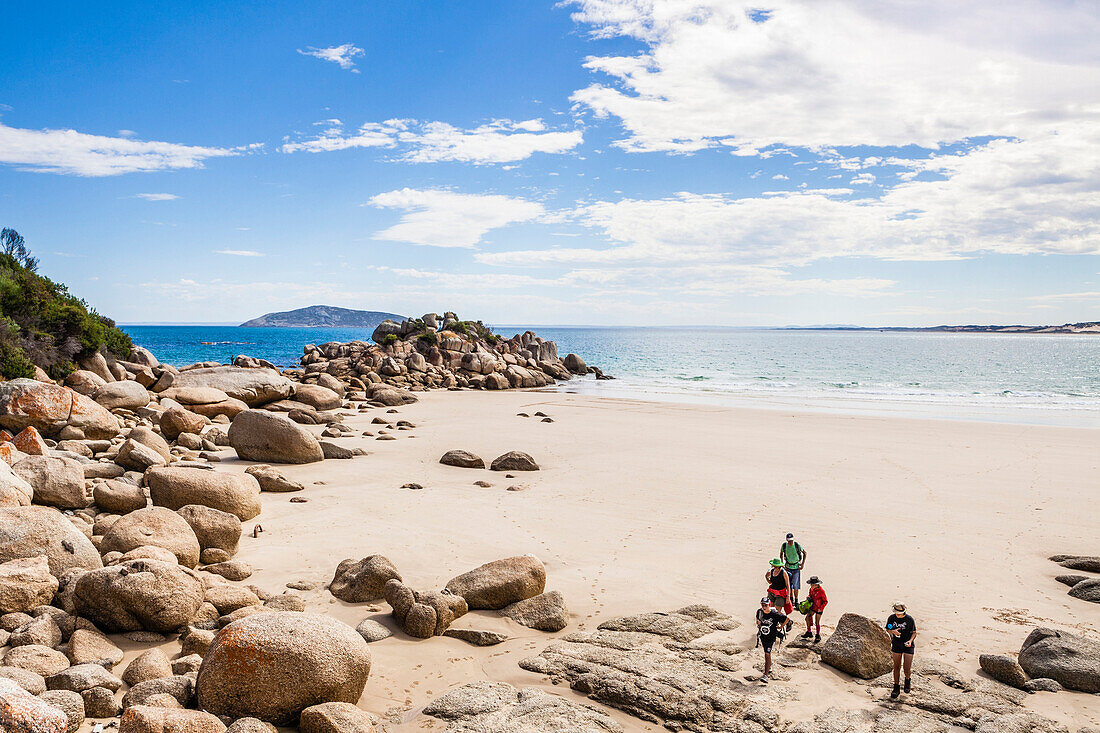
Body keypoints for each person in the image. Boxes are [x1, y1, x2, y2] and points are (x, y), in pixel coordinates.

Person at [885, 602, 916, 698]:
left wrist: (910, 641)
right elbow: (888, 628)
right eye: (897, 613)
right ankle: (896, 686)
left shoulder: (909, 619)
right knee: (896, 666)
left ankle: (907, 680)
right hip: (896, 644)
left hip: (908, 645)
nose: (898, 615)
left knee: (907, 668)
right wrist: (892, 631)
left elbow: (914, 633)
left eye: (900, 613)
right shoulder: (891, 618)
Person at [756, 596, 788, 683]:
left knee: (767, 653)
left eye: (765, 605)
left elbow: (786, 619)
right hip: (763, 636)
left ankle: (765, 675)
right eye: (762, 605)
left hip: (771, 637)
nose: (764, 607)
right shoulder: (759, 612)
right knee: (767, 654)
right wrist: (758, 623)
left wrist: (781, 626)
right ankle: (769, 665)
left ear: (769, 605)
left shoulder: (774, 614)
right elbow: (758, 621)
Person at [779, 533, 806, 605]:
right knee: (789, 584)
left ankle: (796, 599)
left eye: (791, 540)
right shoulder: (784, 546)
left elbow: (804, 553)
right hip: (788, 567)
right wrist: (782, 564)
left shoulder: (797, 545)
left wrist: (802, 564)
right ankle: (791, 599)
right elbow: (781, 554)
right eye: (789, 541)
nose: (790, 542)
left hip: (796, 567)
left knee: (796, 585)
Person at [798, 576, 828, 642]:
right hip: (813, 607)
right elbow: (810, 595)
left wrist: (821, 608)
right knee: (807, 618)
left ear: (816, 585)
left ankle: (818, 635)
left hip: (819, 608)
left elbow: (825, 601)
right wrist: (808, 597)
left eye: (812, 584)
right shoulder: (811, 589)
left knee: (817, 622)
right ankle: (809, 632)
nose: (811, 586)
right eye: (811, 584)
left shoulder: (821, 591)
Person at [765, 558, 794, 626]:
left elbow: (787, 585)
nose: (774, 566)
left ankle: (788, 621)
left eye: (775, 565)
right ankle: (775, 624)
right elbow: (770, 582)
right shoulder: (771, 571)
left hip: (780, 593)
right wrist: (766, 577)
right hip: (772, 592)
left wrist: (788, 596)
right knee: (770, 609)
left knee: (777, 611)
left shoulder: (783, 572)